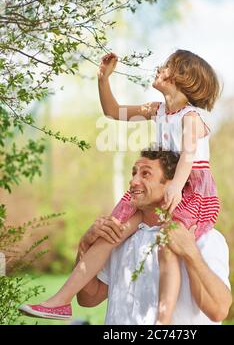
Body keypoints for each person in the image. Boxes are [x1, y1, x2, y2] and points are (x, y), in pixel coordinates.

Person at [19, 49, 221, 324]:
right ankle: (60, 302)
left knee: (168, 246)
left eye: (166, 66)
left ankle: (162, 322)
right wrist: (103, 79)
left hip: (188, 188)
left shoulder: (191, 118)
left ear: (183, 78)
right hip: (161, 185)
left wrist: (175, 187)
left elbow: (188, 155)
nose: (159, 68)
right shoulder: (156, 110)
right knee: (110, 233)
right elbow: (113, 112)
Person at [76, 149, 232, 325]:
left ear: (172, 184)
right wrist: (84, 247)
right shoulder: (119, 238)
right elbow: (88, 299)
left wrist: (191, 253)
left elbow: (219, 311)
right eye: (134, 173)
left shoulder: (205, 239)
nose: (133, 181)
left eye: (146, 174)